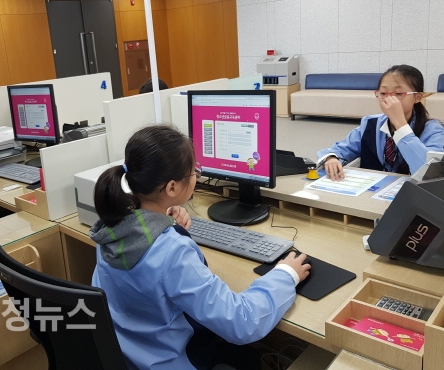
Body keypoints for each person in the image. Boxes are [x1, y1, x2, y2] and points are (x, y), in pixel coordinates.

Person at [90, 125, 310, 370]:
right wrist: (286, 274)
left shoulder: (112, 225)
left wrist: (163, 220)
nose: (196, 175)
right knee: (246, 358)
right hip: (172, 361)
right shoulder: (172, 251)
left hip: (129, 354)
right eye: (194, 171)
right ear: (172, 188)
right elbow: (242, 322)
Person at [317, 65, 444, 181]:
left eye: (398, 93)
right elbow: (340, 149)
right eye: (383, 93)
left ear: (417, 97)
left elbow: (428, 173)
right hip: (370, 193)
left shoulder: (432, 130)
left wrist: (400, 125)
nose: (389, 99)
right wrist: (331, 158)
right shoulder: (370, 123)